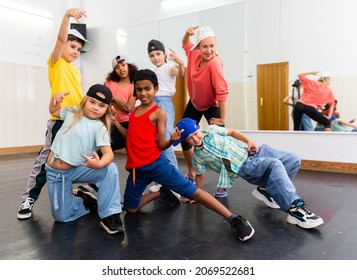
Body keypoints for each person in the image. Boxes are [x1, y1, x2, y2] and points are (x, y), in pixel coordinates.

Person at [122, 69, 254, 242]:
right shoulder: (133, 113)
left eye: (147, 88)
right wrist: (111, 122)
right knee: (130, 209)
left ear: (156, 88)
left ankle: (234, 218)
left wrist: (172, 140)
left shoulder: (158, 112)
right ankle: (162, 193)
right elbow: (130, 137)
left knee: (193, 192)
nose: (143, 93)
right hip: (136, 169)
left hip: (156, 164)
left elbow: (161, 145)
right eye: (139, 90)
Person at [173, 117, 324, 230]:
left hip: (253, 151)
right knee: (275, 165)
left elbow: (231, 132)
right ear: (186, 141)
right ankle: (294, 209)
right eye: (190, 138)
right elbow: (199, 176)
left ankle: (267, 191)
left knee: (293, 159)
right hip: (245, 166)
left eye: (195, 133)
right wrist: (195, 195)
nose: (195, 138)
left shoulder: (212, 129)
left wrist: (249, 141)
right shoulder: (198, 157)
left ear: (199, 128)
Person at [17, 8, 93, 220]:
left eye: (79, 48)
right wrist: (67, 15)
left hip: (77, 122)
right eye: (72, 46)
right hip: (59, 120)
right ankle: (29, 199)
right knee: (45, 162)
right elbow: (60, 40)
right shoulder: (56, 63)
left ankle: (84, 191)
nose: (76, 51)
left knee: (82, 159)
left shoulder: (76, 71)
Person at [45, 84, 124, 235]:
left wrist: (99, 163)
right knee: (62, 217)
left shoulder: (99, 128)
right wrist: (55, 99)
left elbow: (108, 154)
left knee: (110, 169)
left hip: (78, 169)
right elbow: (53, 110)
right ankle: (84, 199)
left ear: (106, 109)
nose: (95, 107)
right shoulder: (72, 112)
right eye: (92, 102)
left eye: (101, 105)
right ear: (85, 100)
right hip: (56, 174)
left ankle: (110, 216)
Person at [181, 25, 229, 199]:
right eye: (204, 46)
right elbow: (185, 43)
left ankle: (224, 182)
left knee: (220, 143)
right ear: (198, 47)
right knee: (183, 135)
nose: (209, 50)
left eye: (212, 46)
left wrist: (222, 119)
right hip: (194, 103)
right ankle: (192, 173)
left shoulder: (215, 63)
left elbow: (222, 92)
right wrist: (187, 33)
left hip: (211, 105)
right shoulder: (193, 54)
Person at [146, 39, 185, 194]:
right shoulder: (154, 72)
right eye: (151, 55)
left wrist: (181, 63)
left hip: (164, 104)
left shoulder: (169, 67)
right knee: (156, 144)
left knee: (166, 142)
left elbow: (180, 73)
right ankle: (163, 183)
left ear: (164, 54)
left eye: (158, 54)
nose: (155, 58)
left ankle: (175, 184)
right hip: (152, 104)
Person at [104, 54, 138, 152]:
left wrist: (111, 100)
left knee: (132, 151)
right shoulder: (109, 83)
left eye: (123, 65)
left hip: (127, 123)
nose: (121, 69)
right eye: (117, 67)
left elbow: (128, 109)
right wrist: (115, 98)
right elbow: (102, 100)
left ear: (129, 66)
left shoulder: (134, 87)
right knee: (105, 150)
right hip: (110, 122)